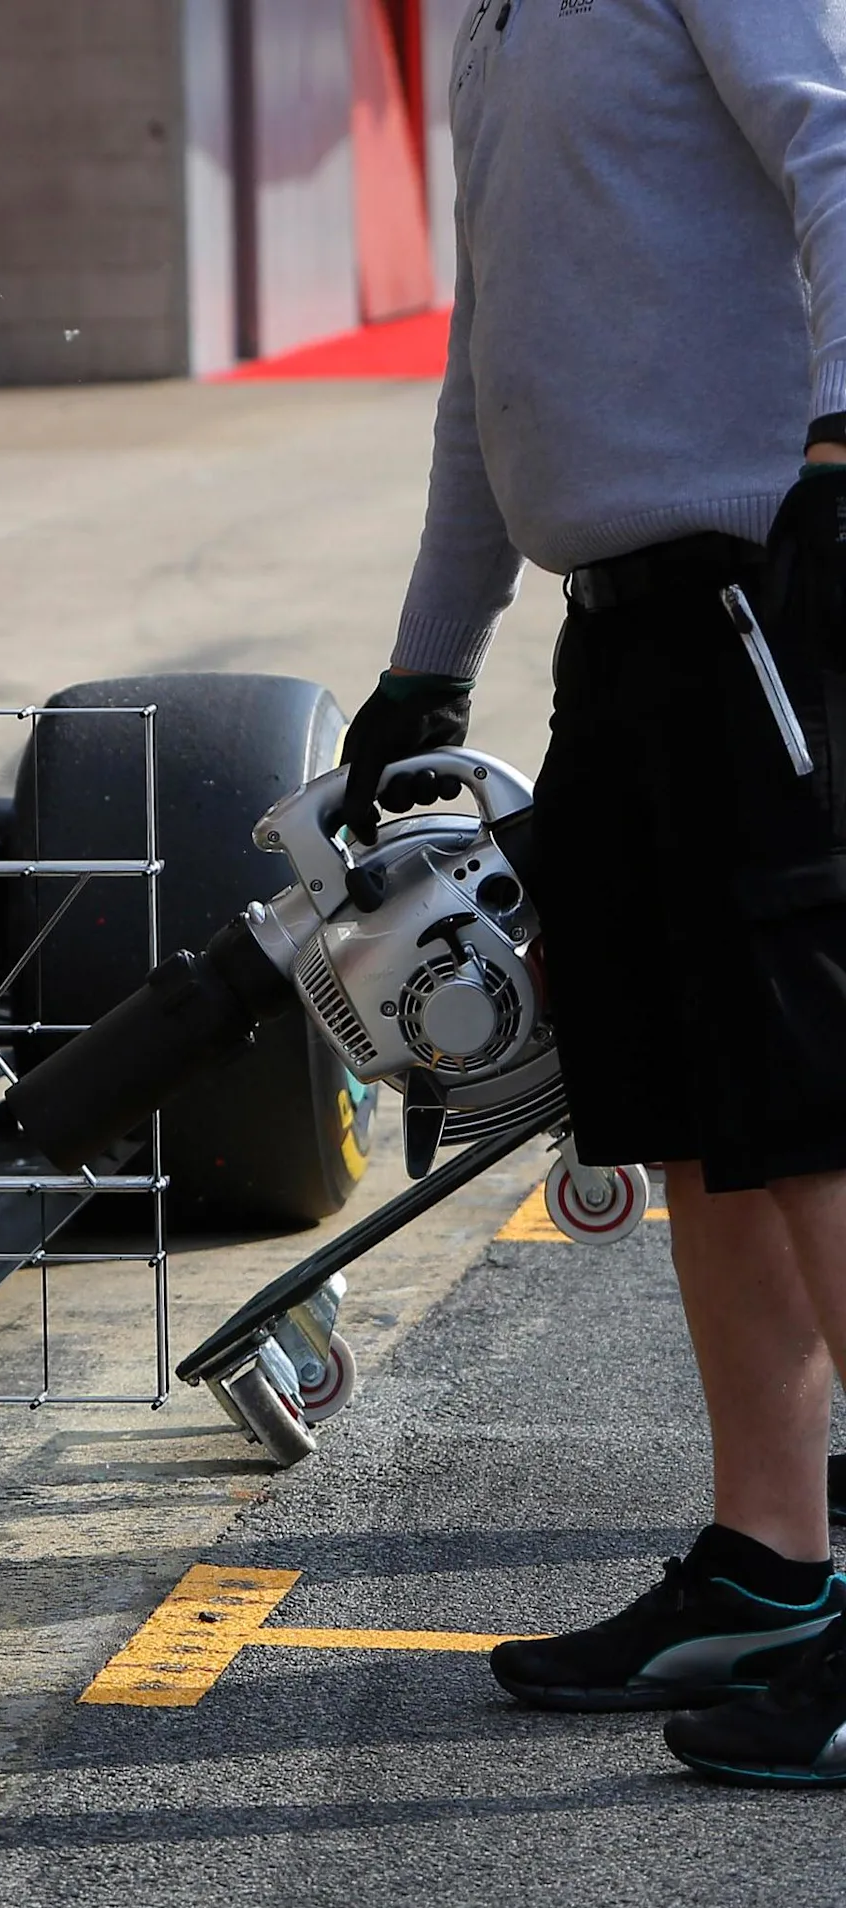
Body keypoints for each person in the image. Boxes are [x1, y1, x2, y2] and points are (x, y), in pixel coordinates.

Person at [340, 0, 846, 1786]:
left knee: (816, 1106)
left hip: (765, 593)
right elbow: (494, 346)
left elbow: (838, 142)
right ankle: (770, 1560)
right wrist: (429, 657)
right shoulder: (493, 19)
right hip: (622, 633)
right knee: (700, 1118)